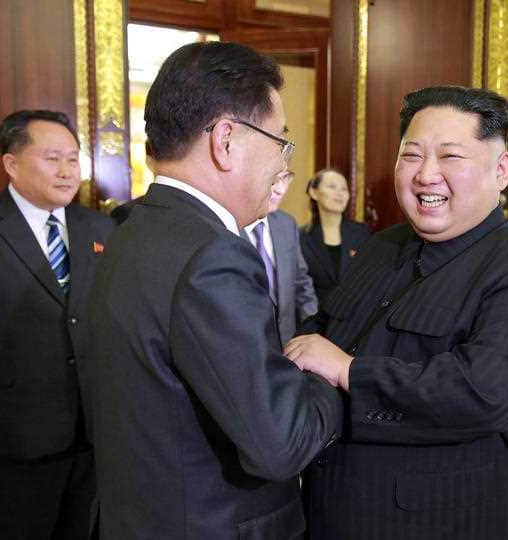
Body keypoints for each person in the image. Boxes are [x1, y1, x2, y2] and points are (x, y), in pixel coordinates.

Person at [285, 86, 508, 539]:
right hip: (331, 507)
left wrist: (350, 371)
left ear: (501, 170)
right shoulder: (381, 247)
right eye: (412, 155)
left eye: (450, 157)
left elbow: (480, 393)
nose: (426, 175)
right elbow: (322, 335)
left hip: (438, 520)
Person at [88, 42, 343, 540]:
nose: (281, 164)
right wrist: (328, 374)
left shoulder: (132, 229)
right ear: (226, 139)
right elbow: (281, 443)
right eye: (280, 142)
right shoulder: (213, 256)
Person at [0, 110, 115, 539]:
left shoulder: (100, 229)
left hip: (92, 433)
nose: (67, 172)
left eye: (73, 159)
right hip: (11, 434)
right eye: (52, 159)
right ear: (11, 163)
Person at [244, 171, 318, 344]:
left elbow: (301, 282)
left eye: (286, 178)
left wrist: (314, 331)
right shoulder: (227, 225)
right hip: (246, 344)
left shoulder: (286, 224)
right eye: (274, 179)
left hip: (286, 341)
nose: (281, 189)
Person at [299, 168, 369, 304]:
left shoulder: (361, 233)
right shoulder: (299, 237)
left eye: (344, 189)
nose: (340, 193)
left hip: (353, 316)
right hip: (314, 318)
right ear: (314, 192)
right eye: (332, 186)